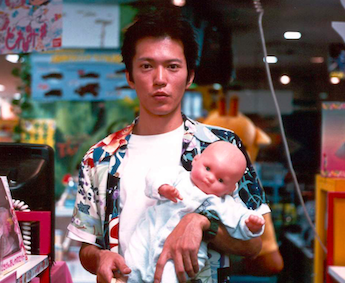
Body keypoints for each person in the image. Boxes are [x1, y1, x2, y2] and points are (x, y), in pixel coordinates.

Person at [67, 6, 270, 283]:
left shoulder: (222, 145)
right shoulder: (100, 156)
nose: (160, 79)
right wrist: (100, 257)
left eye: (172, 66)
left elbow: (253, 245)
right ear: (130, 76)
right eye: (146, 66)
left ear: (189, 77)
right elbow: (86, 247)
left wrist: (201, 223)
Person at [123, 141, 265, 283]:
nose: (210, 178)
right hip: (150, 232)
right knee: (133, 264)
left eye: (220, 180)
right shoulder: (179, 177)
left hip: (185, 253)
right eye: (208, 168)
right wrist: (162, 187)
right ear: (195, 160)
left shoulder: (222, 203)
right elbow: (155, 176)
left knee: (172, 275)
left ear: (230, 189)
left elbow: (239, 217)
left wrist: (251, 224)